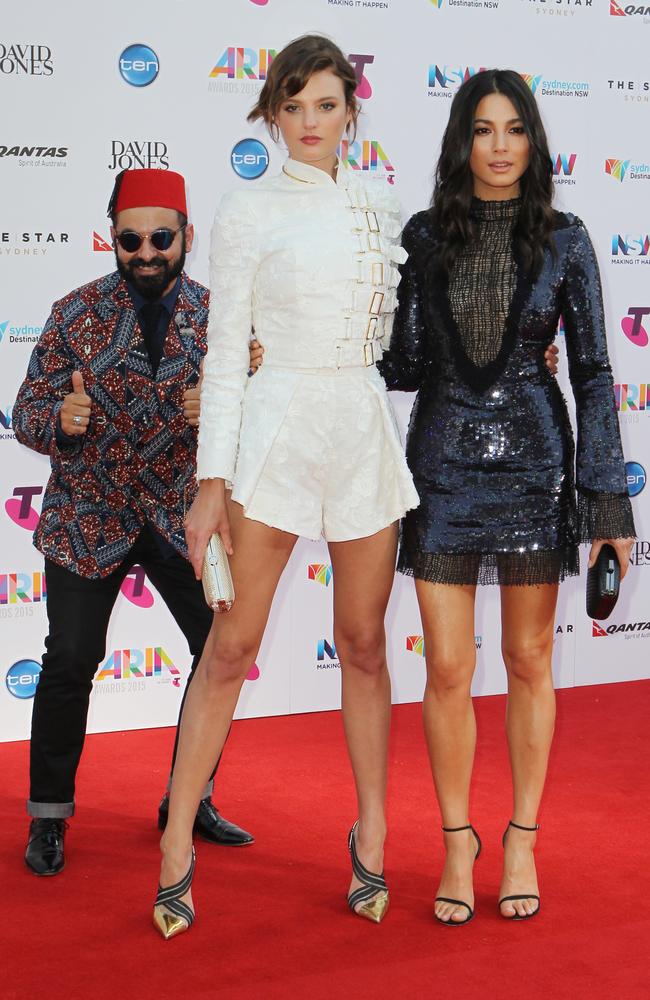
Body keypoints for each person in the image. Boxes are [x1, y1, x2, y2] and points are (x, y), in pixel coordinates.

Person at [152, 34, 422, 939]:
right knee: (230, 649)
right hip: (272, 439)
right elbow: (226, 353)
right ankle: (176, 843)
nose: (310, 122)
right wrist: (209, 482)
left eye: (326, 104)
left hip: (358, 435)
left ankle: (372, 829)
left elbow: (403, 344)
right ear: (272, 114)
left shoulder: (382, 204)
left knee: (366, 647)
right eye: (293, 106)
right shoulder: (247, 208)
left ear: (353, 108)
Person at [378, 69, 635, 925]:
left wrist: (607, 506)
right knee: (448, 668)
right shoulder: (423, 234)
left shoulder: (566, 239)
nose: (498, 146)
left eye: (514, 129)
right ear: (461, 141)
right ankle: (458, 841)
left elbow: (596, 373)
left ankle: (520, 834)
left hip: (533, 465)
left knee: (529, 661)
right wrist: (379, 299)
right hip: (442, 468)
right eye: (482, 129)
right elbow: (408, 367)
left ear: (534, 140)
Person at [13, 168, 253, 878]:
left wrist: (225, 416)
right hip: (90, 517)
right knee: (69, 663)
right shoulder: (73, 312)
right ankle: (50, 817)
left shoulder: (221, 319)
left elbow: (271, 412)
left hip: (188, 517)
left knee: (221, 653)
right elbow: (25, 411)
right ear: (110, 236)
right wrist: (61, 420)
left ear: (185, 236)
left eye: (160, 237)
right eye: (129, 238)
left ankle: (189, 799)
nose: (145, 251)